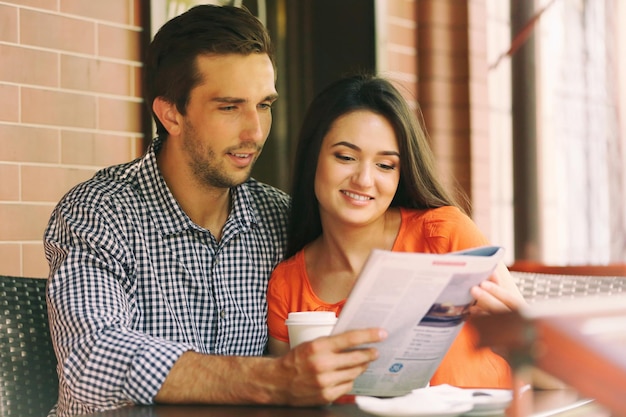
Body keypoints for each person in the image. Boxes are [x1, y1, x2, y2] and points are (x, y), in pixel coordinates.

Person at [43, 6, 385, 416]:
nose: (255, 132)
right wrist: (274, 379)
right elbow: (93, 359)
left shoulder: (281, 218)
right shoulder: (99, 212)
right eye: (229, 107)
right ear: (171, 113)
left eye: (264, 105)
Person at [267, 73, 526, 388]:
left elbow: (547, 366)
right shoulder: (288, 286)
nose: (364, 180)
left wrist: (522, 339)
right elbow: (289, 399)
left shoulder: (445, 235)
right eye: (346, 157)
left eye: (385, 165)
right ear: (313, 158)